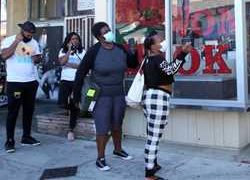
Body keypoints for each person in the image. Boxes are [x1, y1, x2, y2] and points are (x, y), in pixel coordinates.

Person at [73, 22, 138, 171]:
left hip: (119, 93)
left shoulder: (120, 48)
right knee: (103, 127)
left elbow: (133, 65)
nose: (110, 33)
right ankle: (100, 158)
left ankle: (118, 150)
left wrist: (133, 51)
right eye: (106, 31)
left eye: (109, 30)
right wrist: (76, 97)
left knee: (117, 123)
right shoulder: (94, 51)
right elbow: (80, 73)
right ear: (99, 37)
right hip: (100, 95)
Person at [142, 31, 192, 180]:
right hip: (158, 97)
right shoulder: (157, 58)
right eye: (160, 40)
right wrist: (182, 54)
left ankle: (153, 163)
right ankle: (149, 173)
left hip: (149, 98)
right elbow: (171, 70)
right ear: (152, 46)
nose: (163, 41)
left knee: (152, 134)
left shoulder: (148, 59)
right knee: (154, 137)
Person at [1, 21, 42, 153]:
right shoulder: (9, 40)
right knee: (13, 111)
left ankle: (26, 137)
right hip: (15, 82)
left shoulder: (34, 43)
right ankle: (9, 141)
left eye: (31, 34)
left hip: (30, 82)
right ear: (22, 31)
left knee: (29, 111)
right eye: (28, 33)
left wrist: (36, 58)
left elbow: (37, 58)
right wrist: (16, 43)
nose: (30, 36)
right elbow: (4, 56)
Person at [58, 32, 86, 141]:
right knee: (62, 103)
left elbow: (83, 66)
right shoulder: (63, 51)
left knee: (74, 104)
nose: (75, 41)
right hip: (65, 80)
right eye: (72, 39)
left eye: (77, 39)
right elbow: (62, 62)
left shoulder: (82, 52)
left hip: (77, 81)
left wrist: (68, 64)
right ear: (68, 41)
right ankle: (77, 108)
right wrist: (69, 51)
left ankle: (70, 130)